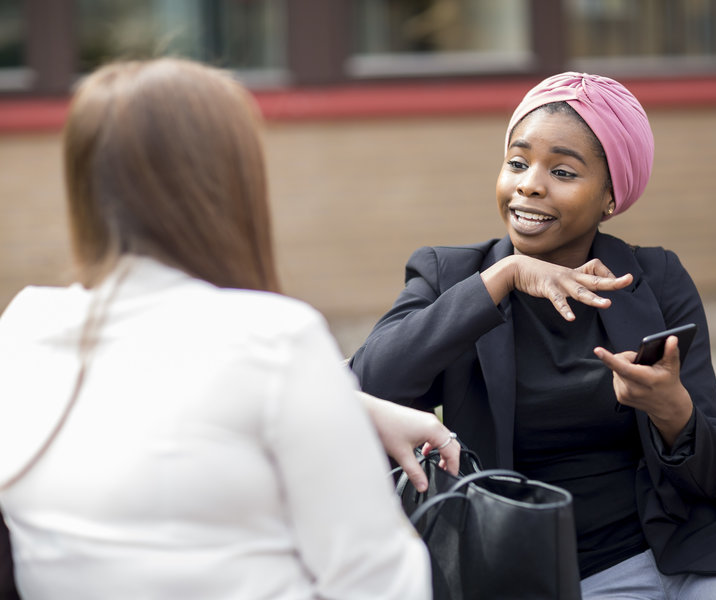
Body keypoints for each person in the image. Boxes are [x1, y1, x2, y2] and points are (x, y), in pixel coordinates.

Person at [349, 72, 716, 599]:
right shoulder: (450, 277)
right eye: (517, 162)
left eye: (562, 170)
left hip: (692, 545)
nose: (530, 182)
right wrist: (502, 278)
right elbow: (366, 384)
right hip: (557, 573)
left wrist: (673, 411)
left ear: (610, 197)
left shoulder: (657, 278)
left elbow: (714, 477)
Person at [0, 57, 459, 599]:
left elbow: (149, 370)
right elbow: (382, 583)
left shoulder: (26, 325)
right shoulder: (276, 339)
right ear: (226, 187)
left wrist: (343, 405)